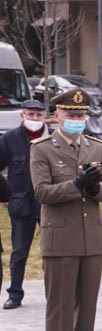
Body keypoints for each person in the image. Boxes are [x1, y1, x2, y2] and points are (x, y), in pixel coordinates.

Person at [30, 89, 102, 331]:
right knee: (61, 305)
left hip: (91, 237)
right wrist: (77, 184)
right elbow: (42, 193)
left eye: (81, 115)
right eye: (71, 115)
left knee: (87, 304)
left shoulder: (95, 147)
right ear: (57, 116)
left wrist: (95, 189)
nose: (77, 119)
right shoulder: (42, 148)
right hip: (60, 237)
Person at [0, 99, 46, 309]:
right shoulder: (8, 139)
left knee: (52, 252)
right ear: (22, 115)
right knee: (19, 252)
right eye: (30, 114)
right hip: (21, 204)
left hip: (49, 204)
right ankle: (15, 294)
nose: (34, 118)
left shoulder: (53, 137)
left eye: (39, 115)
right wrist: (4, 195)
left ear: (44, 117)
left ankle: (54, 292)